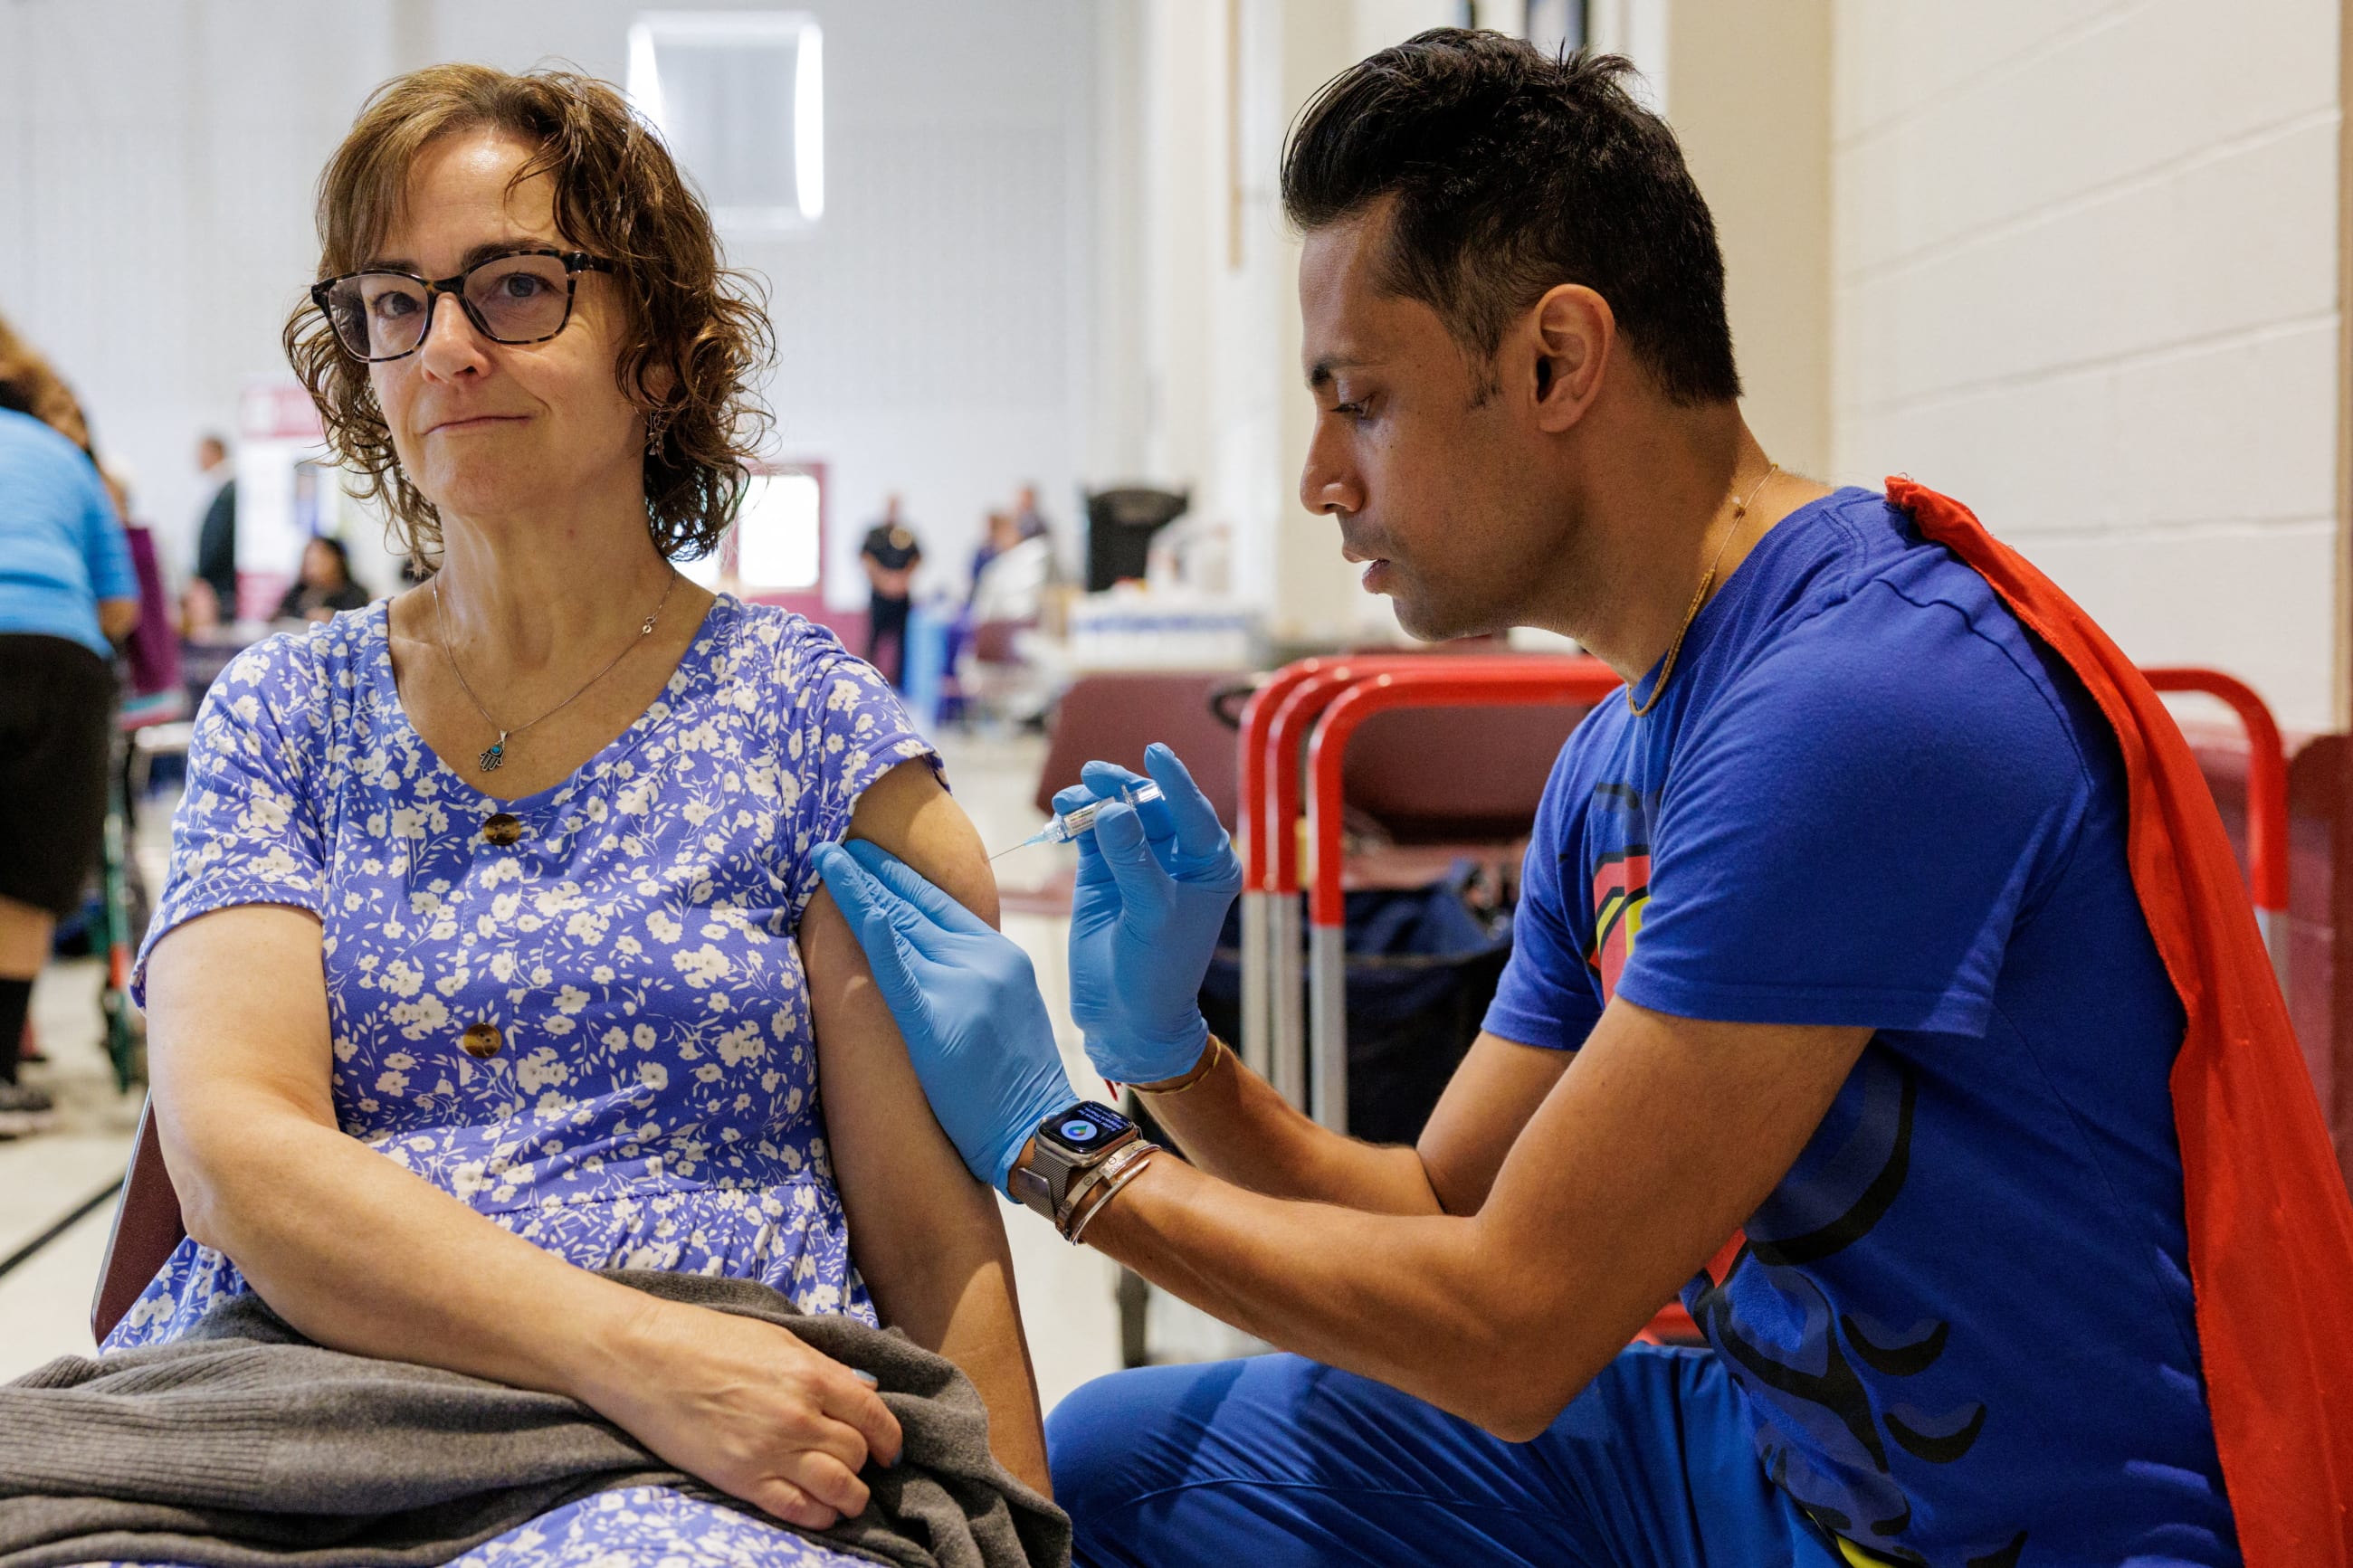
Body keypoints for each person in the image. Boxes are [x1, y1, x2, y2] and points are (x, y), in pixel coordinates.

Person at [812, 33, 2353, 1568]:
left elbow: (1513, 1327)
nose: (1317, 479)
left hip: (2020, 1535)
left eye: (1360, 401)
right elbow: (1434, 1202)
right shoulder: (1624, 748)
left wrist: (1062, 1147)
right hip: (1781, 1463)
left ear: (1555, 360)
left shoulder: (1862, 705)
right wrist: (1171, 1057)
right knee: (1125, 1463)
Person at [108, 62, 1046, 1562]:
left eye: (518, 287)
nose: (448, 347)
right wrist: (632, 1356)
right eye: (395, 304)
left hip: (725, 1443)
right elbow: (236, 1152)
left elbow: (935, 1238)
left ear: (661, 356)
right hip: (304, 1403)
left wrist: (1006, 1527)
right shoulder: (290, 717)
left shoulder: (809, 728)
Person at [0, 315, 138, 1136]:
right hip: (58, 658)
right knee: (24, 873)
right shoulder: (63, 457)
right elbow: (119, 605)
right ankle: (3, 1076)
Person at [858, 495, 921, 686]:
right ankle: (867, 680)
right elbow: (866, 558)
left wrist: (901, 580)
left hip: (901, 596)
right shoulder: (875, 533)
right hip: (880, 595)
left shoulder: (906, 533)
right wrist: (883, 579)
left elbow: (917, 558)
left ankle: (900, 684)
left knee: (902, 642)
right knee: (873, 640)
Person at [272, 535, 372, 622]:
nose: (312, 567)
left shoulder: (355, 594)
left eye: (319, 561)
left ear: (338, 560)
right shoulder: (299, 591)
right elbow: (280, 616)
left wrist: (332, 617)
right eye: (309, 561)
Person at [192, 431, 238, 618]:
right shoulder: (219, 487)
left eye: (202, 453)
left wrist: (202, 575)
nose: (198, 459)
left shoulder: (228, 490)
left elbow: (218, 539)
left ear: (215, 452)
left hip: (220, 585)